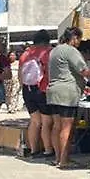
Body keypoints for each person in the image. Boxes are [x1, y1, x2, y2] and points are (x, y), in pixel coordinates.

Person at [46, 28, 90, 168]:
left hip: (53, 91)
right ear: (75, 38)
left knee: (56, 126)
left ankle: (58, 158)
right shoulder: (71, 51)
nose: (79, 43)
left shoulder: (55, 50)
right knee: (67, 127)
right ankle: (64, 161)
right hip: (67, 93)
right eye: (79, 39)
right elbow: (86, 72)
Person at [18, 30, 55, 158]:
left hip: (27, 90)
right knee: (47, 121)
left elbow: (20, 76)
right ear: (47, 41)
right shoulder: (48, 52)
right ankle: (48, 149)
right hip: (42, 89)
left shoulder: (25, 54)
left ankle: (33, 150)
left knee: (34, 121)